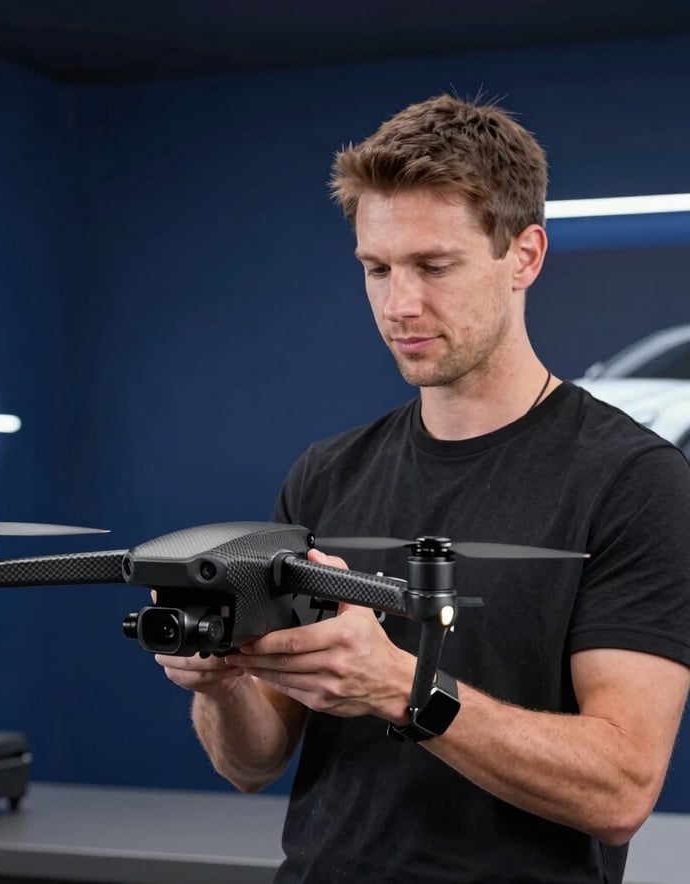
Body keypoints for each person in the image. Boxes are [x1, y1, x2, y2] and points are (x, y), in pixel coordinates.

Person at [155, 93, 690, 883]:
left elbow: (619, 789)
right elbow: (253, 762)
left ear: (526, 256)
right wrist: (222, 681)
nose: (400, 305)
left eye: (434, 266)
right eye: (377, 269)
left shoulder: (633, 481)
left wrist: (400, 688)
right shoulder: (326, 473)